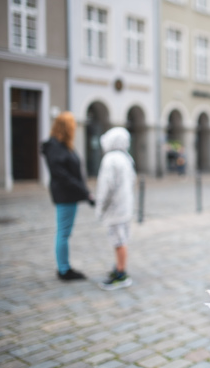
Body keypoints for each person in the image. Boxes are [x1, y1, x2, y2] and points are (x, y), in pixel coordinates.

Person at [41, 111, 94, 281]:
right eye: (73, 126)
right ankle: (64, 270)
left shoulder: (63, 146)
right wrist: (85, 193)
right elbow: (63, 176)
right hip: (65, 195)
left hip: (69, 195)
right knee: (63, 232)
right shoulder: (56, 147)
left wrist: (84, 193)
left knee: (65, 232)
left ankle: (64, 267)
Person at [95, 127, 136, 290]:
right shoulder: (126, 157)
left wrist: (100, 207)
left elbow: (106, 186)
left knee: (118, 241)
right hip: (125, 207)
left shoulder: (110, 159)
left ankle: (121, 273)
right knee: (122, 239)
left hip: (115, 208)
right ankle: (119, 268)